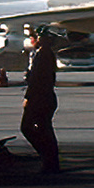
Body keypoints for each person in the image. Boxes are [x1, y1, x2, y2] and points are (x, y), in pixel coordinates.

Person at [22, 30, 60, 174]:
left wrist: (28, 97)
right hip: (45, 97)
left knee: (27, 127)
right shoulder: (44, 54)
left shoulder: (44, 55)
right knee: (45, 129)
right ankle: (50, 161)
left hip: (40, 98)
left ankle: (48, 158)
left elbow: (38, 80)